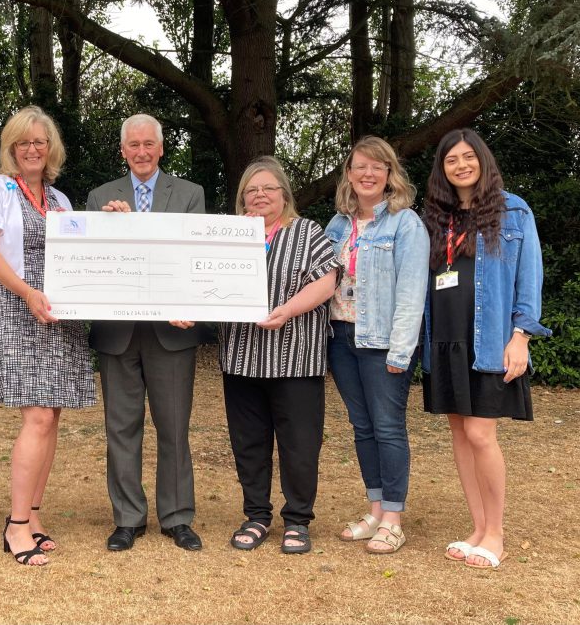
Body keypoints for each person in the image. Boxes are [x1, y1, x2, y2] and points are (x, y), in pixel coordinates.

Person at [0, 106, 96, 567]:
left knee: (52, 414)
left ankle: (34, 515)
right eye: (23, 142)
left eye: (39, 141)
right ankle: (16, 526)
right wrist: (27, 293)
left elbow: (84, 255)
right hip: (13, 304)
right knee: (37, 416)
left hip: (58, 312)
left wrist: (113, 220)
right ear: (12, 148)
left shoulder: (60, 200)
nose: (32, 149)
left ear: (51, 148)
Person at [422, 128, 550, 570]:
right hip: (445, 337)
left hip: (489, 340)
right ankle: (476, 527)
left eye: (467, 156)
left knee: (480, 434)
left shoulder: (513, 210)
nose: (460, 165)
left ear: (482, 160)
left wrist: (521, 336)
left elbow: (529, 278)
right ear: (442, 169)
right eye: (451, 159)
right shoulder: (437, 217)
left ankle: (496, 534)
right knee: (459, 434)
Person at [86, 113, 207, 552]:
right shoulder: (101, 196)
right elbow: (92, 258)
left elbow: (195, 258)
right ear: (123, 151)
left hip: (171, 331)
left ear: (160, 148)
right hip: (118, 330)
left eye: (148, 144)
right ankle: (128, 518)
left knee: (174, 426)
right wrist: (109, 225)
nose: (140, 152)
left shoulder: (190, 194)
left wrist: (191, 304)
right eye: (132, 145)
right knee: (121, 427)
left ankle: (177, 517)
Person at [219, 156, 340, 555]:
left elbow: (327, 280)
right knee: (248, 442)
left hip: (295, 357)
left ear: (284, 194)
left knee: (299, 443)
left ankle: (298, 520)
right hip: (241, 357)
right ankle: (256, 515)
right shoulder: (229, 234)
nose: (259, 195)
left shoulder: (307, 232)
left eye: (268, 188)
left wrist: (288, 309)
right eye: (251, 190)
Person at [324, 137, 429, 554]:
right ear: (349, 173)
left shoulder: (406, 223)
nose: (368, 174)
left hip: (382, 342)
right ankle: (375, 510)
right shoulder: (337, 224)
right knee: (362, 427)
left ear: (389, 175)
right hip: (341, 338)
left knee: (387, 428)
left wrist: (401, 351)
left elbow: (412, 292)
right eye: (360, 166)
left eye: (377, 167)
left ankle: (394, 519)